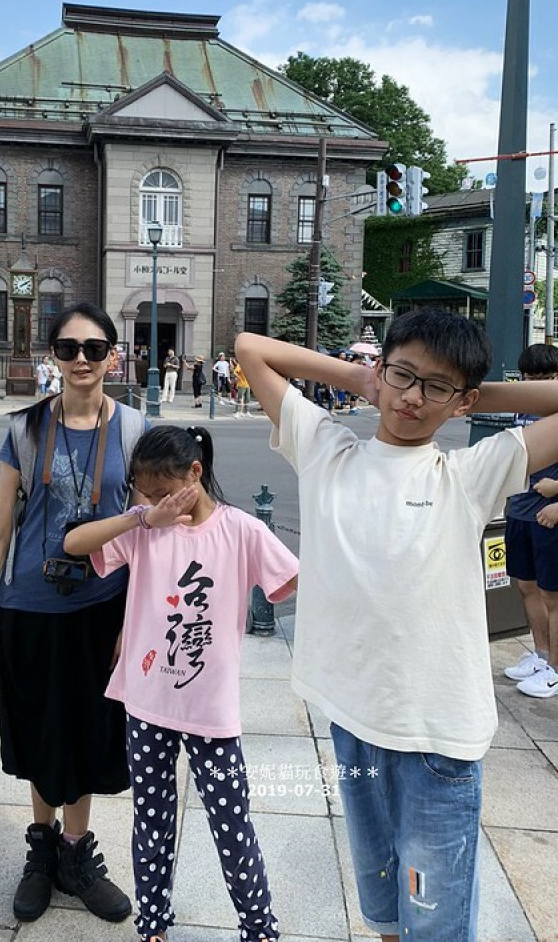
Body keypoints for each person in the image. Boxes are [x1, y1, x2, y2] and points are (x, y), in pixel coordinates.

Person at [235, 309, 558, 942]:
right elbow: (250, 347)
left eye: (435, 386)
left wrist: (465, 398)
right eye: (403, 375)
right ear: (381, 368)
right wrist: (370, 381)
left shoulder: (468, 474)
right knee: (383, 898)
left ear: (460, 400)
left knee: (433, 919)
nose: (412, 397)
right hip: (353, 721)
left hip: (435, 736)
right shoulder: (326, 448)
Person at [0, 303, 147, 927]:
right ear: (52, 357)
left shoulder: (135, 429)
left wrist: (132, 622)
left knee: (89, 730)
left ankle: (75, 853)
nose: (82, 359)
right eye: (68, 348)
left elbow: (146, 536)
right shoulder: (25, 429)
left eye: (94, 348)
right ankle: (41, 851)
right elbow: (0, 531)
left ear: (113, 355)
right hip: (31, 606)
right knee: (39, 730)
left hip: (101, 607)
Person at [64, 425, 297, 942]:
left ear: (195, 473)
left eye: (162, 491)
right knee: (151, 823)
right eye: (144, 492)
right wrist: (143, 515)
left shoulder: (240, 530)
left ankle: (259, 929)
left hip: (212, 713)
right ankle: (153, 926)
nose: (155, 502)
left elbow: (291, 580)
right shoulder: (147, 525)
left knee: (232, 826)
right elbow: (75, 543)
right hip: (146, 706)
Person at [502, 343, 558, 698]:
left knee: (553, 596)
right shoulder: (520, 406)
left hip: (550, 515)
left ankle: (555, 671)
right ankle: (542, 656)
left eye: (545, 378)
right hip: (519, 510)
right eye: (530, 377)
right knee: (527, 587)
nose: (535, 384)